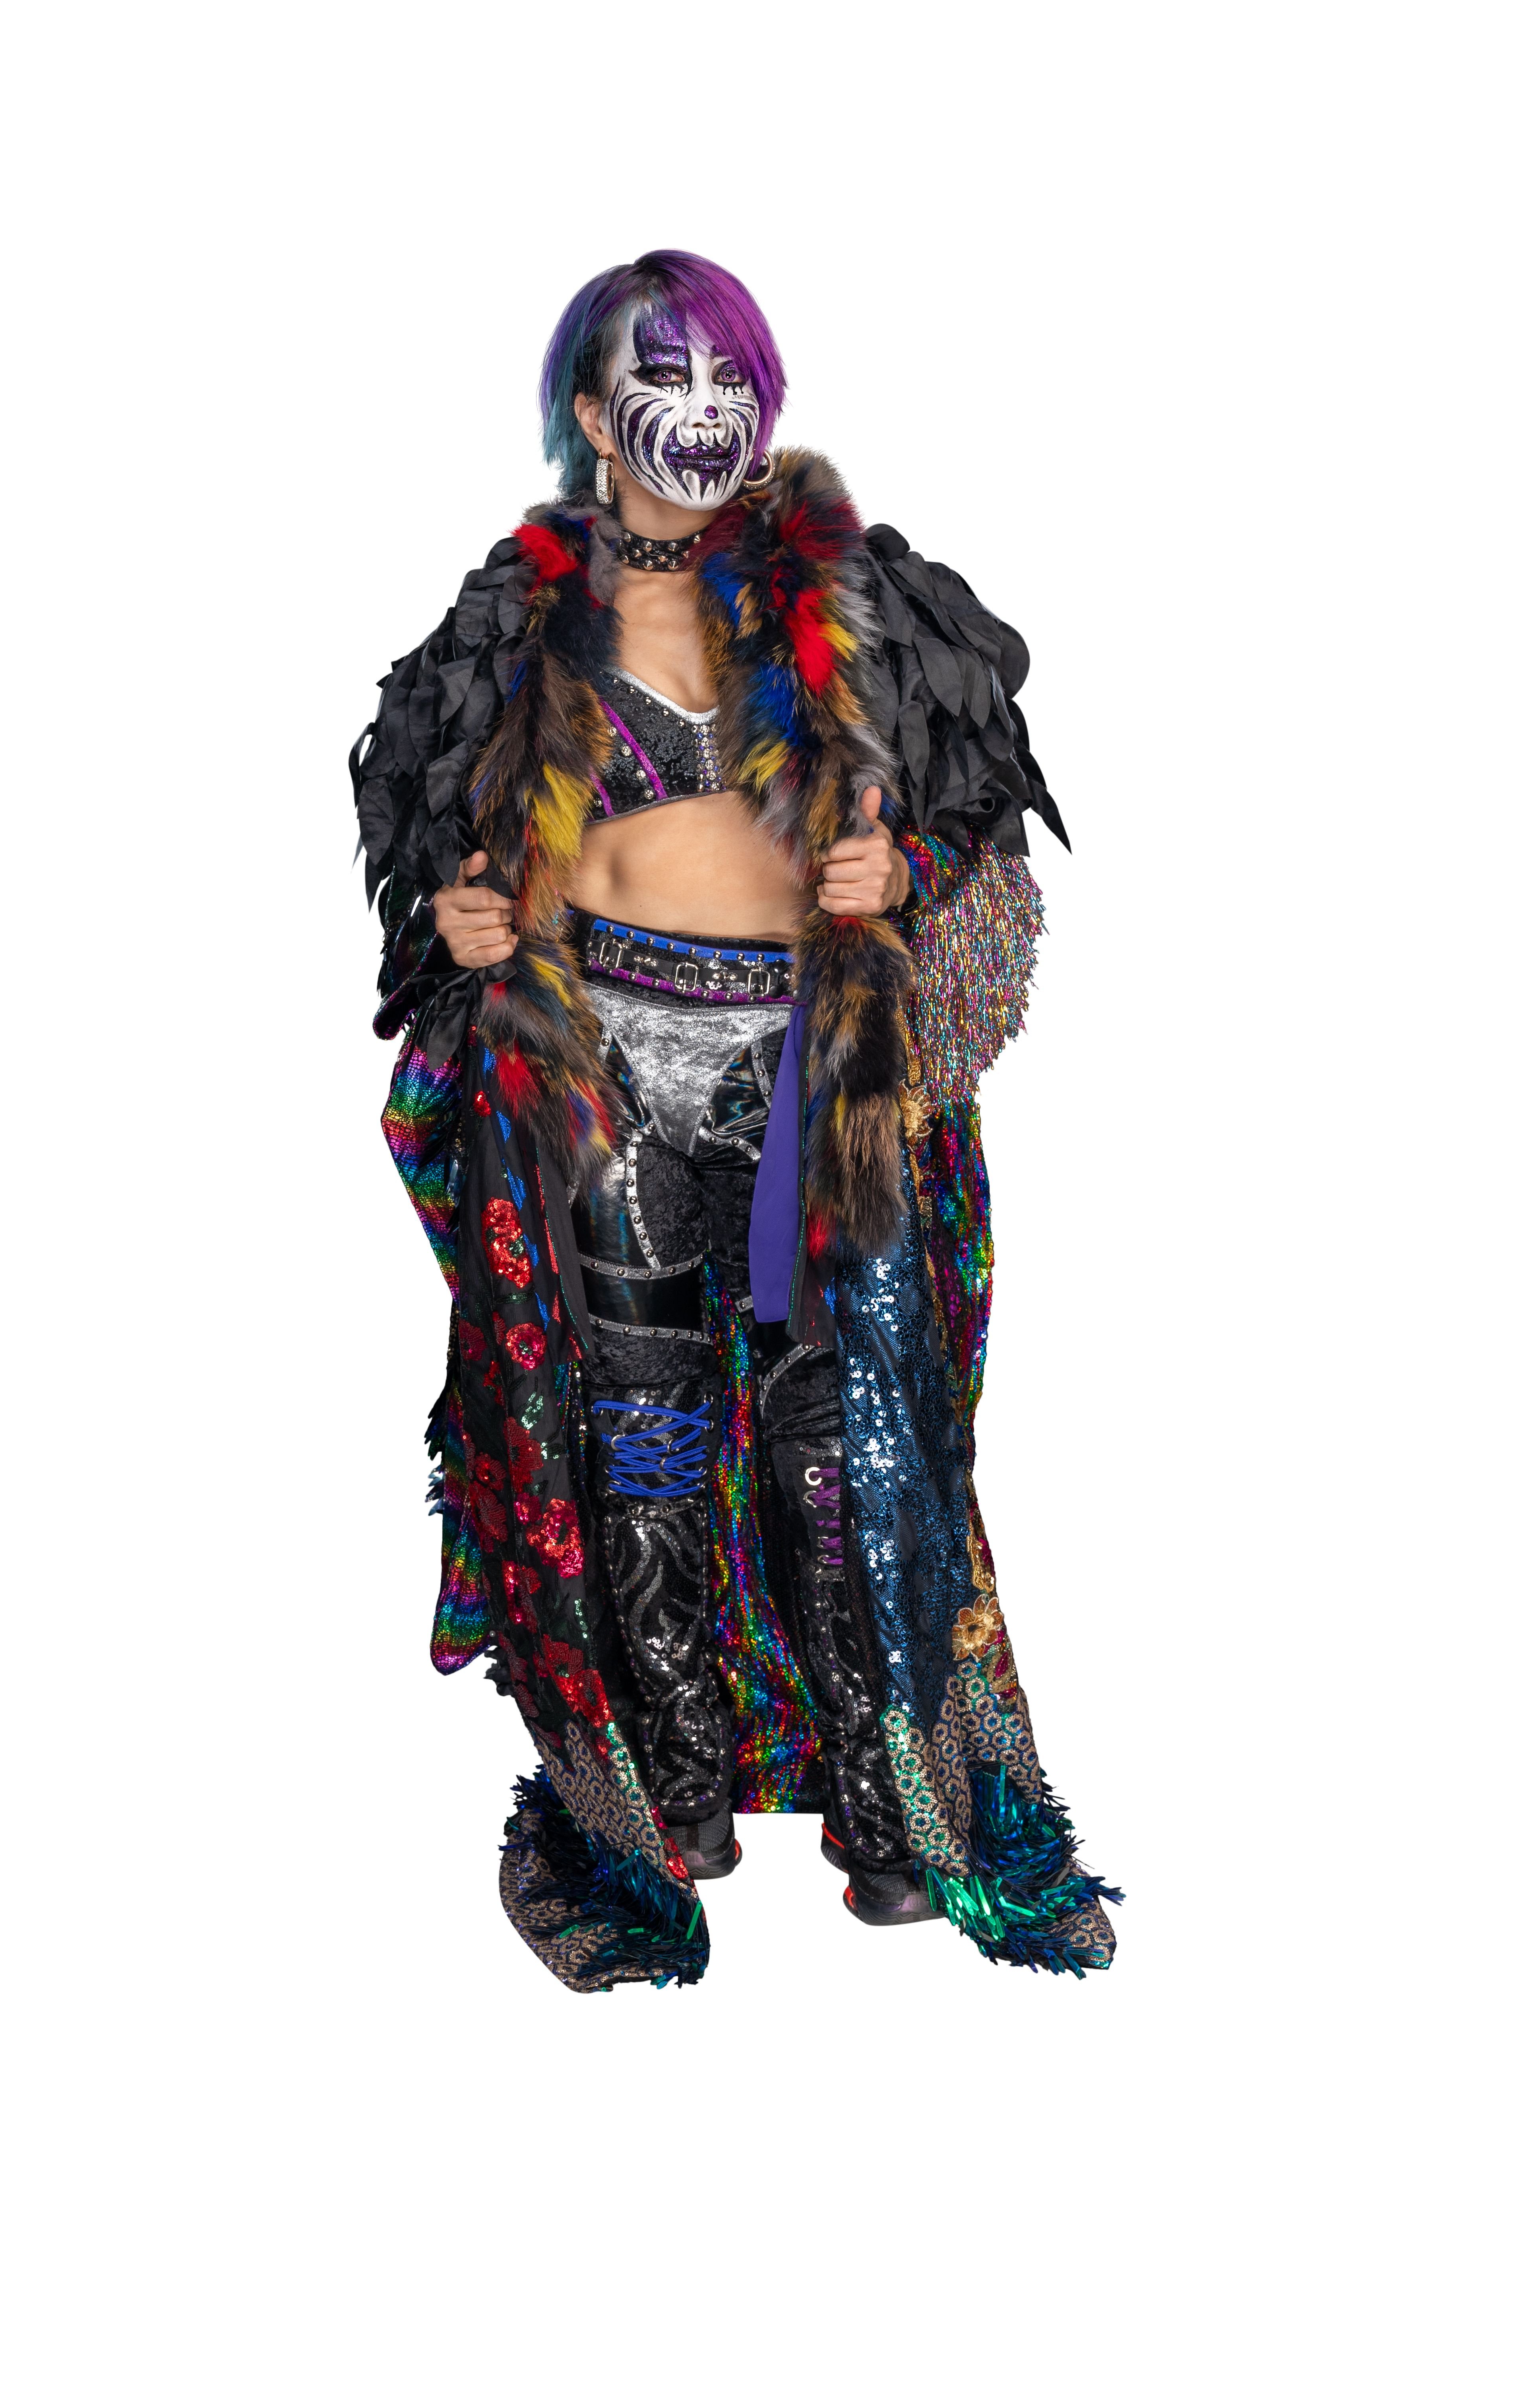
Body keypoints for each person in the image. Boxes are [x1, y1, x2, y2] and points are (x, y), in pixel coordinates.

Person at [351, 249, 1119, 1991]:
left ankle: (895, 1804)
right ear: (589, 407)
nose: (701, 412)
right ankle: (668, 1799)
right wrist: (463, 927)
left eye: (729, 377)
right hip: (603, 1076)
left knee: (840, 1441)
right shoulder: (511, 635)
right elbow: (436, 872)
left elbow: (983, 843)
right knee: (636, 1441)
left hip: (812, 1083)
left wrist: (901, 874)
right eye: (663, 374)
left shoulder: (862, 603)